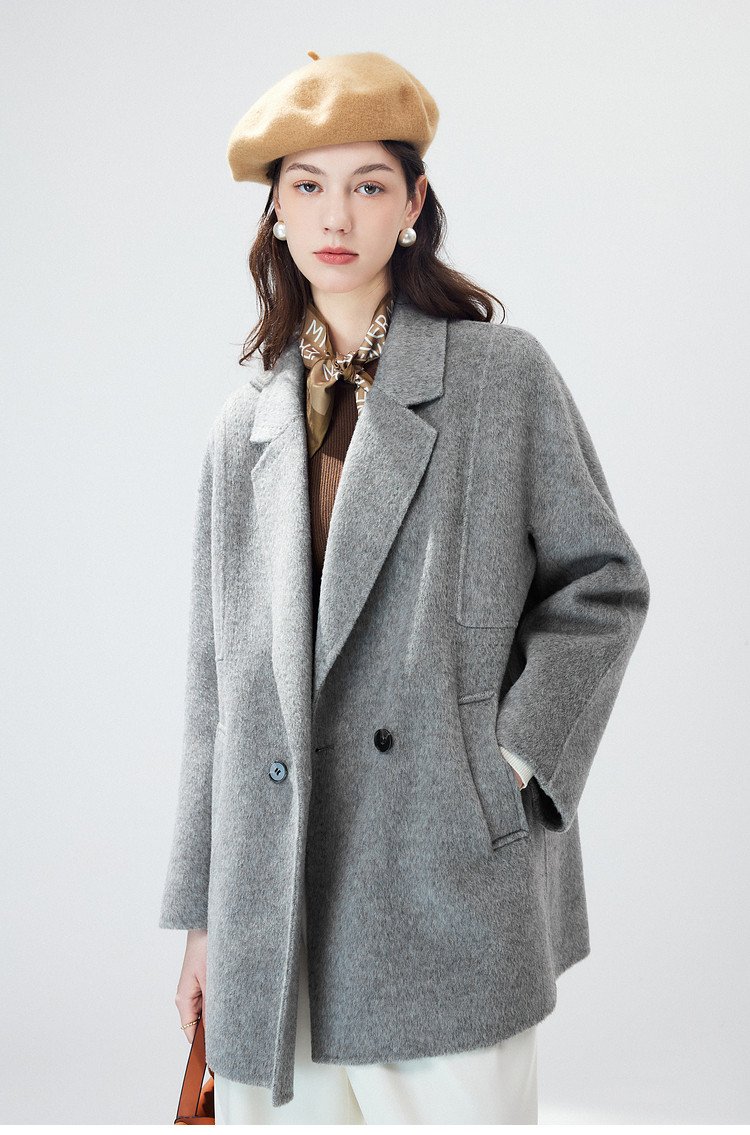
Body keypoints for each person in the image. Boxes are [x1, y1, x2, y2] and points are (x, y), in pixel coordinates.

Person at [159, 51, 650, 1125]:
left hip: (444, 887)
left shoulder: (500, 376)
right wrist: (205, 917)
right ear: (276, 210)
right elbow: (215, 695)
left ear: (414, 204)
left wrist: (505, 763)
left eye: (369, 184)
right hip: (275, 912)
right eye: (308, 185)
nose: (337, 215)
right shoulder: (241, 427)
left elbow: (603, 586)